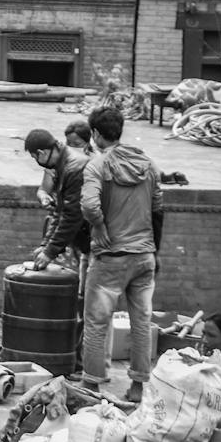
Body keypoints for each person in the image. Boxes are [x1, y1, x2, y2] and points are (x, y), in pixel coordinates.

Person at [78, 106, 162, 404]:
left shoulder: (97, 165)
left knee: (97, 322)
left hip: (111, 257)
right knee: (141, 322)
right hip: (144, 256)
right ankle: (138, 388)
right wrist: (155, 249)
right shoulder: (148, 164)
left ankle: (92, 384)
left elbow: (88, 205)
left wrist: (99, 225)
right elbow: (157, 210)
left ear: (96, 134)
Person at [26, 129, 90, 268]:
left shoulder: (74, 168)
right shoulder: (62, 165)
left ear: (41, 153)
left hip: (98, 242)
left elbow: (72, 215)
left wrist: (50, 252)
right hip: (86, 240)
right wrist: (45, 245)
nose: (37, 161)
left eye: (35, 157)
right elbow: (60, 211)